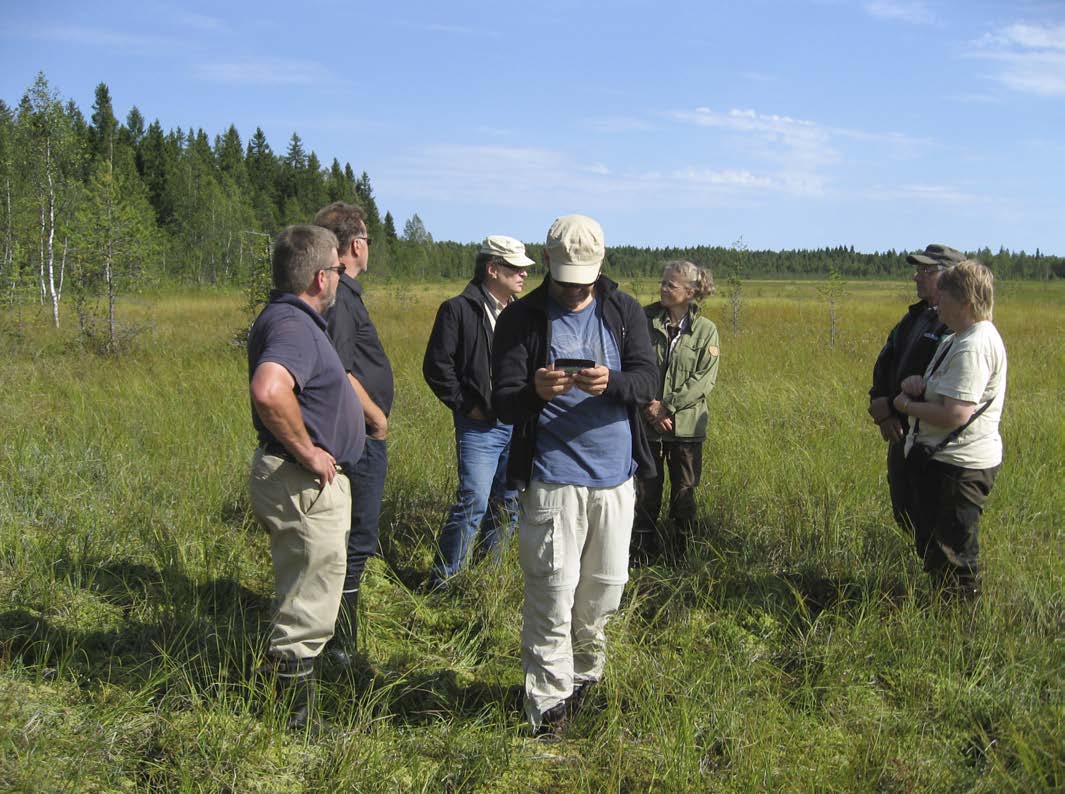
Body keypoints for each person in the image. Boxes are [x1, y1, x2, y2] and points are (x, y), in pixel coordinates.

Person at [492, 214, 658, 736]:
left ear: (599, 270)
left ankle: (586, 682)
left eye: (582, 280)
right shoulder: (522, 319)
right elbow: (502, 401)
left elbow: (649, 377)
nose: (573, 290)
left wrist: (612, 383)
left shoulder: (623, 310)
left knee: (605, 590)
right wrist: (534, 392)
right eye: (564, 279)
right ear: (546, 264)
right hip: (552, 479)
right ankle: (548, 708)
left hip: (616, 481)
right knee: (551, 591)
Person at [247, 225, 365, 728]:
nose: (341, 276)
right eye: (338, 269)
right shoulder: (294, 327)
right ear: (321, 277)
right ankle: (294, 721)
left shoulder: (288, 319)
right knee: (308, 599)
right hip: (304, 482)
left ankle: (288, 702)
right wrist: (310, 453)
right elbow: (270, 390)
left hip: (299, 480)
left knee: (302, 587)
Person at [422, 235, 534, 589]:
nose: (523, 275)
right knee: (473, 501)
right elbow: (437, 367)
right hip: (479, 426)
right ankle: (444, 581)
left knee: (509, 503)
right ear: (492, 269)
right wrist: (467, 405)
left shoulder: (522, 313)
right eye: (516, 268)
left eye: (524, 269)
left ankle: (487, 579)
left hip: (516, 423)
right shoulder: (458, 309)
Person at [892, 260, 1006, 598]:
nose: (937, 303)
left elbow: (956, 413)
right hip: (945, 461)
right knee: (938, 548)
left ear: (966, 303)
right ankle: (945, 613)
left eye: (944, 297)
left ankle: (958, 629)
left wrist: (906, 405)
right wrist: (920, 385)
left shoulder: (974, 344)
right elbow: (947, 391)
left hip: (960, 467)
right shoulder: (958, 338)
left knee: (955, 557)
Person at [314, 202, 393, 667]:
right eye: (367, 240)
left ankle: (332, 637)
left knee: (349, 541)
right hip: (359, 438)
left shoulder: (341, 293)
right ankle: (338, 644)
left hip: (354, 435)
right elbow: (340, 371)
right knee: (354, 542)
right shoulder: (341, 297)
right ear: (356, 245)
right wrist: (375, 419)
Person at [868, 243, 966, 532]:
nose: (916, 277)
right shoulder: (914, 317)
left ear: (951, 277)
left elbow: (945, 386)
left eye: (926, 270)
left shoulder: (961, 327)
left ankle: (938, 575)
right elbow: (884, 363)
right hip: (901, 434)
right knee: (905, 512)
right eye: (917, 269)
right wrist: (882, 406)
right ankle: (918, 570)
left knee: (938, 522)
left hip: (936, 442)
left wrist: (899, 405)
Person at [632, 260, 720, 564]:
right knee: (645, 497)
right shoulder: (644, 320)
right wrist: (649, 407)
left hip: (686, 429)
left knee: (684, 498)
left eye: (671, 284)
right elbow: (632, 366)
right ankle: (640, 558)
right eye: (663, 282)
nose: (663, 288)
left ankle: (681, 557)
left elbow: (703, 381)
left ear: (690, 291)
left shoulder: (705, 331)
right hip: (648, 427)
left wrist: (666, 405)